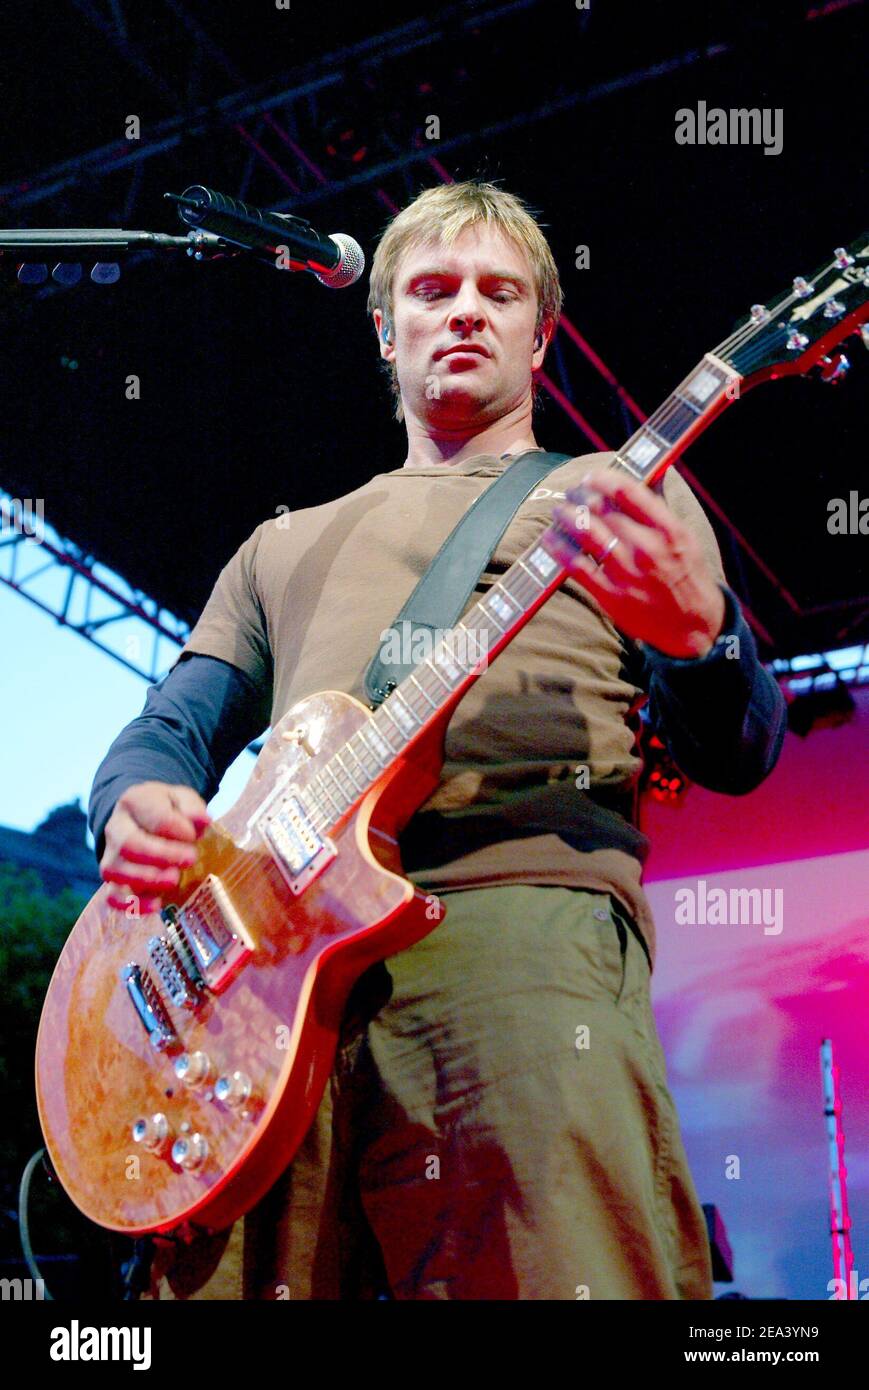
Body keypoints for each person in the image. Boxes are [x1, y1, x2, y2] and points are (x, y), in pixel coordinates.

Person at [89, 180, 786, 1300]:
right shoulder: (284, 545)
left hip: (518, 934)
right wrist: (129, 803)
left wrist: (699, 642)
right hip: (266, 977)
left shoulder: (618, 492)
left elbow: (741, 748)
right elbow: (168, 732)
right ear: (384, 325)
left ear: (539, 332)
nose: (464, 310)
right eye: (432, 288)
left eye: (497, 292)